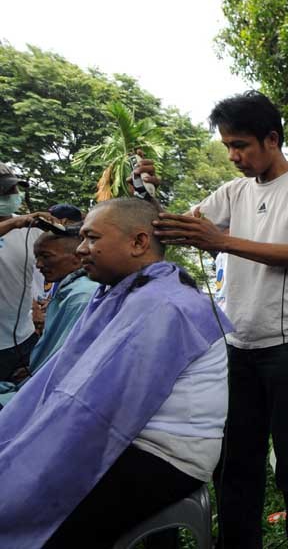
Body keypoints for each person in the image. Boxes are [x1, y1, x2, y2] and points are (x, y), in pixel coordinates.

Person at [153, 91, 288, 549]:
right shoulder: (233, 192)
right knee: (236, 459)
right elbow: (182, 225)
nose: (233, 156)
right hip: (238, 344)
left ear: (271, 139)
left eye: (241, 145)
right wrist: (147, 202)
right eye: (227, 147)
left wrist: (223, 241)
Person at [0, 198, 231, 548]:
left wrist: (42, 442)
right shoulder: (130, 292)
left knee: (44, 516)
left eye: (92, 238)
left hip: (166, 454)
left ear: (138, 243)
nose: (80, 249)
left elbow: (95, 403)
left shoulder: (162, 304)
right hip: (138, 437)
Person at [28, 231, 98, 371]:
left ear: (78, 257)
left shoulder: (81, 298)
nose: (39, 265)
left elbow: (61, 361)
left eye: (46, 257)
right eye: (37, 258)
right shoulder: (69, 289)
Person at [0, 163, 43, 382]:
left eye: (14, 189)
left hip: (22, 340)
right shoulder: (19, 224)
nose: (12, 195)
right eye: (5, 191)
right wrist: (15, 223)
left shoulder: (30, 231)